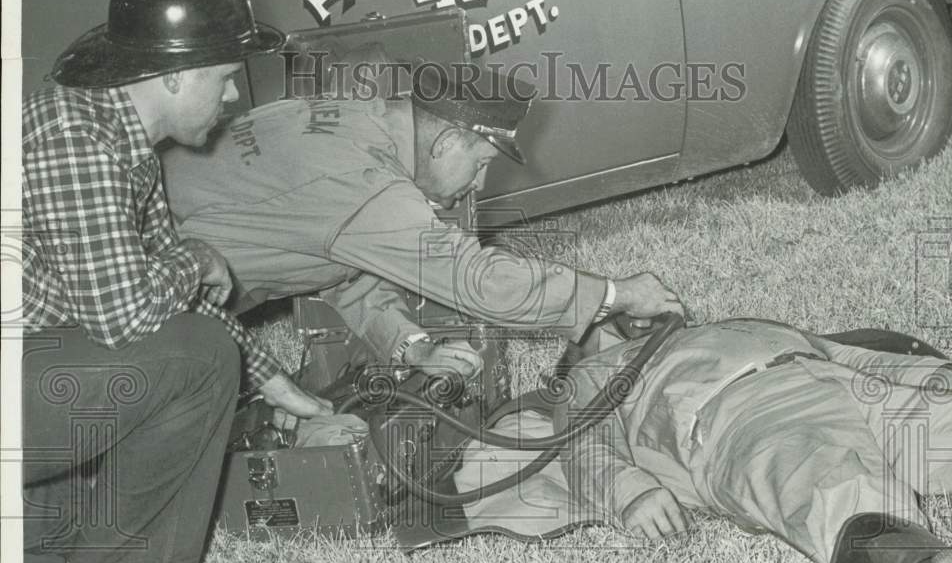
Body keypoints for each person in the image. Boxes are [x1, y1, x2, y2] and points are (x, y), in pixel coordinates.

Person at [21, 0, 327, 563]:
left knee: (197, 347)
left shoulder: (118, 134)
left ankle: (43, 562)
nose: (231, 96)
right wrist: (199, 260)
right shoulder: (78, 140)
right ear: (172, 75)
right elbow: (130, 315)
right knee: (194, 358)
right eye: (223, 77)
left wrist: (270, 379)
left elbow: (169, 285)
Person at [161, 58, 684, 380]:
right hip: (127, 302)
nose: (477, 185)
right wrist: (615, 293)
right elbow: (478, 283)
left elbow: (341, 265)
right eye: (480, 164)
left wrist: (414, 349)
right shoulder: (368, 182)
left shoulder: (351, 117)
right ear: (448, 140)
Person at [556, 317, 952, 563]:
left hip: (840, 378)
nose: (623, 318)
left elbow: (847, 354)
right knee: (836, 481)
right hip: (746, 411)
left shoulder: (729, 325)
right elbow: (579, 434)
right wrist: (627, 489)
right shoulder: (597, 368)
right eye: (598, 321)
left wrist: (938, 378)